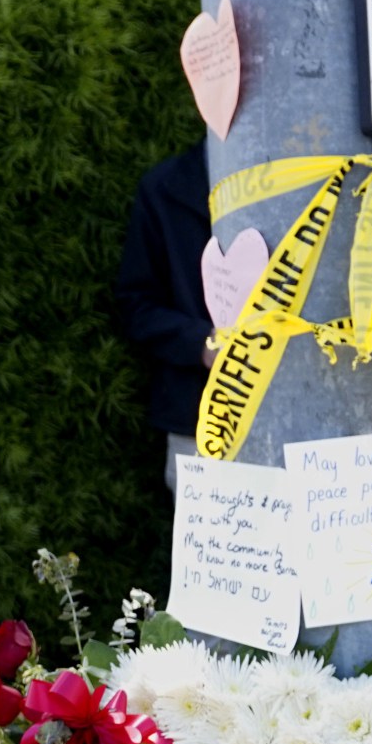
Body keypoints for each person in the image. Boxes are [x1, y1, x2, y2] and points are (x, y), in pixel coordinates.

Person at [112, 143, 213, 490]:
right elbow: (135, 304)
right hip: (197, 417)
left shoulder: (314, 180)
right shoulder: (166, 187)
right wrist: (201, 343)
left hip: (309, 418)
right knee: (211, 542)